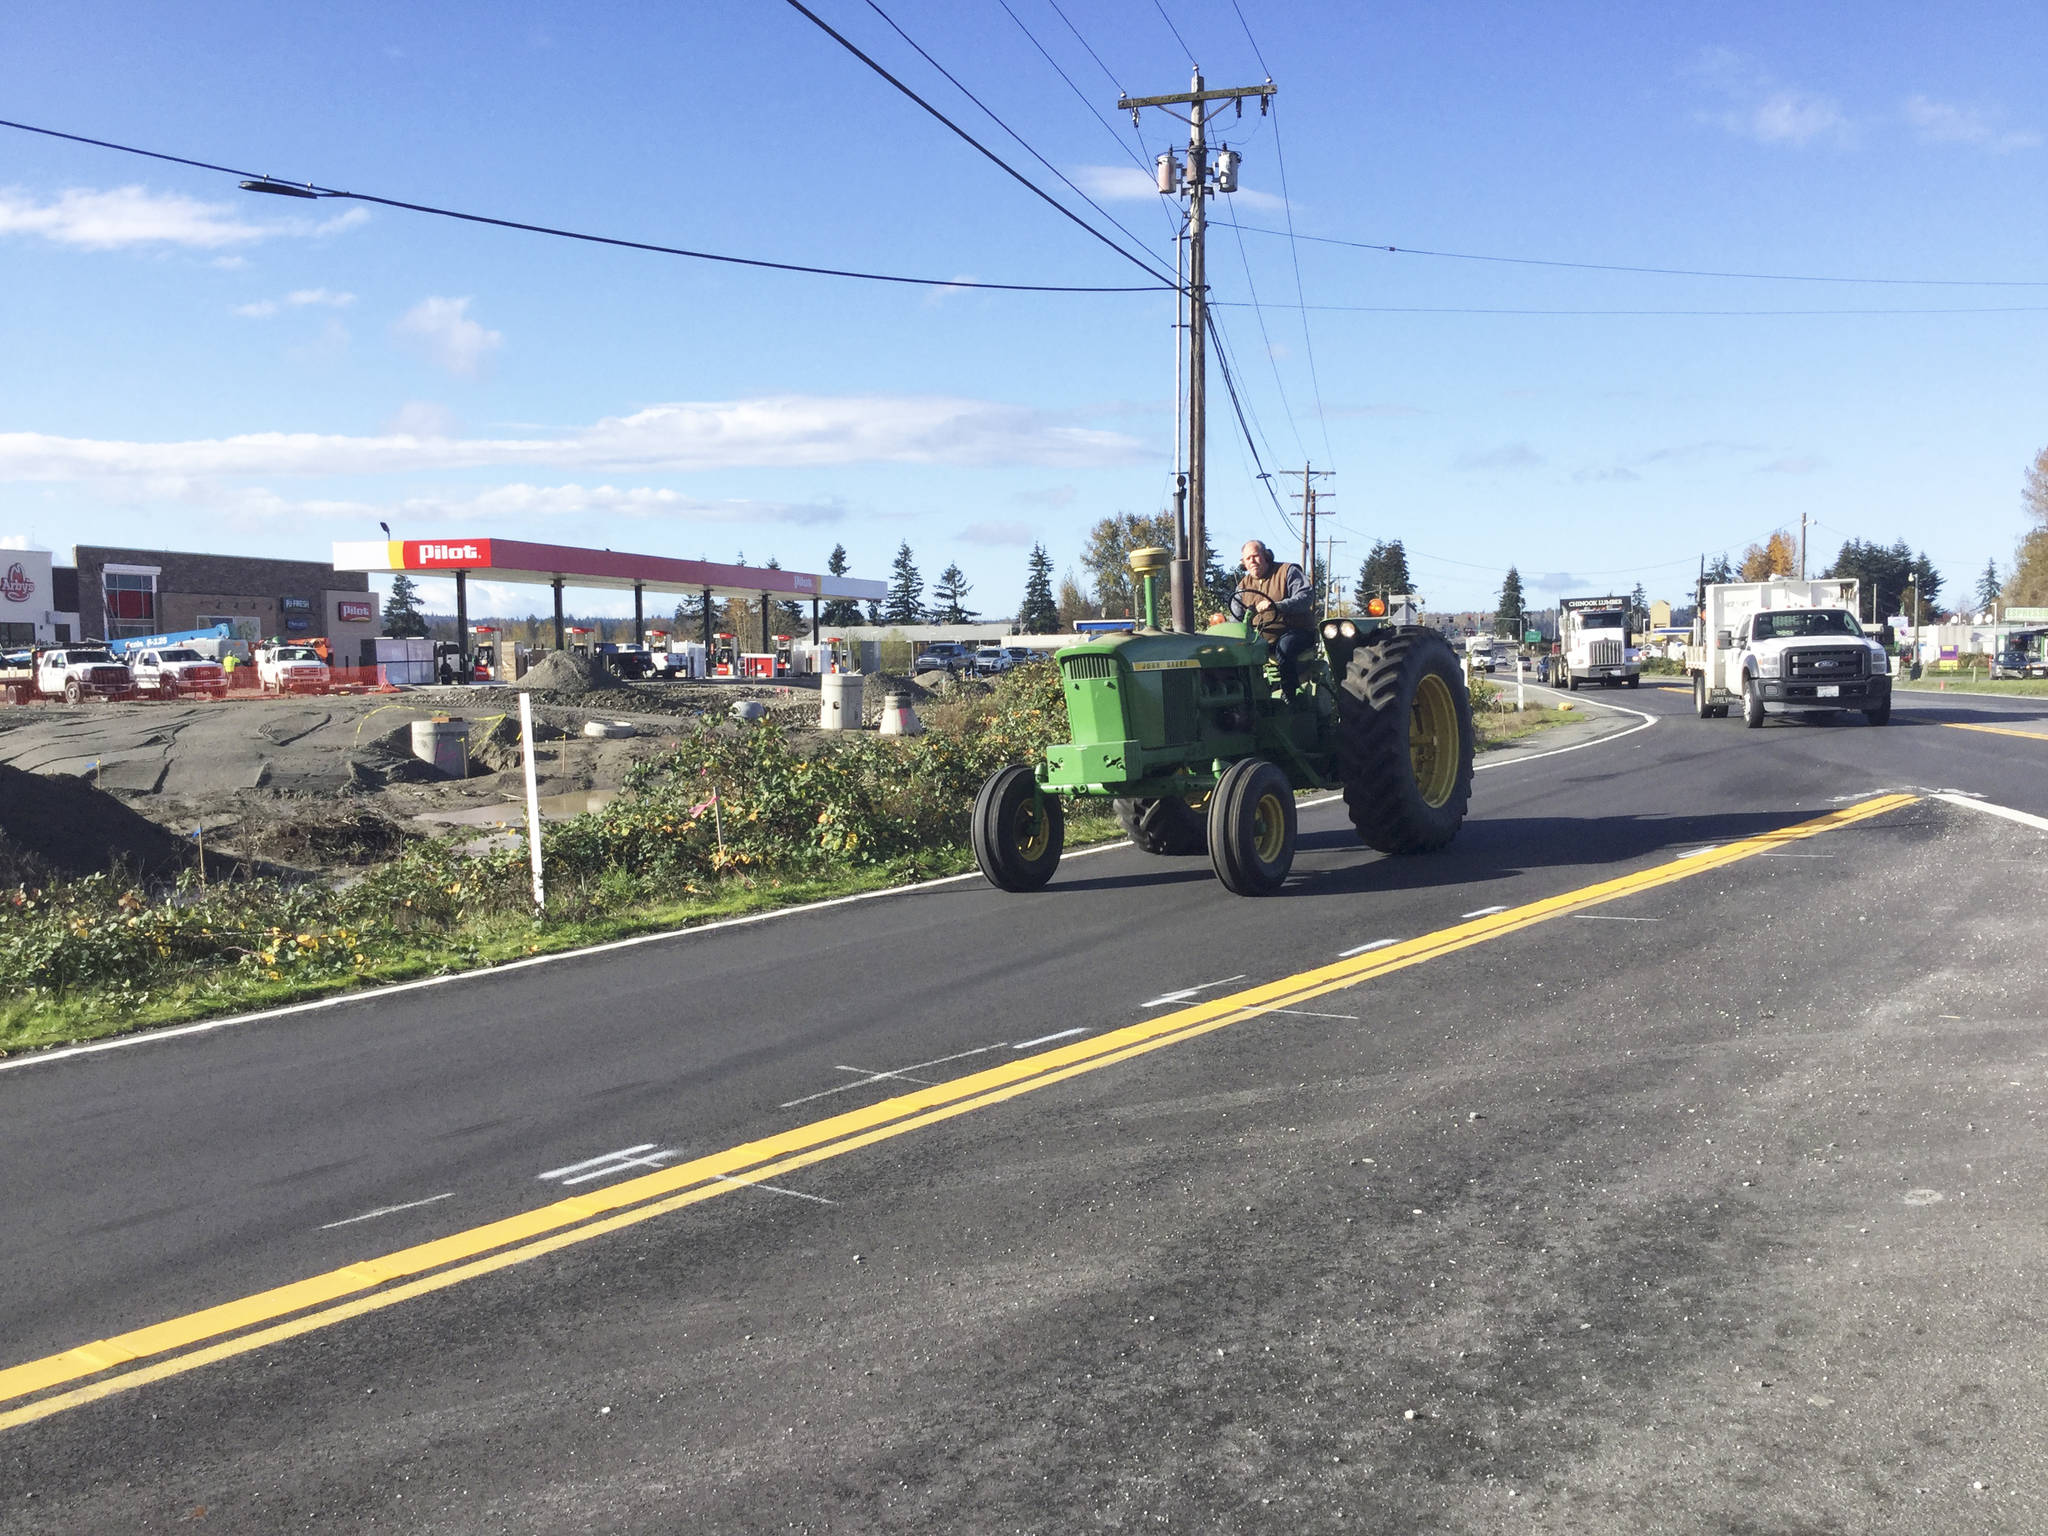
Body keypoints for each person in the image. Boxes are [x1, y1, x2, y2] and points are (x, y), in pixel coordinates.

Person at [1229, 539, 1315, 698]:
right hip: (1260, 637)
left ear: (1266, 556)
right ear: (1244, 563)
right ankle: (1244, 697)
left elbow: (1305, 597)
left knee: (1284, 647)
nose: (1252, 561)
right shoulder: (1243, 586)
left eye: (1255, 556)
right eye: (1248, 558)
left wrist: (1278, 606)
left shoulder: (1287, 571)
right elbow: (1236, 616)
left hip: (1295, 631)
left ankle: (1290, 696)